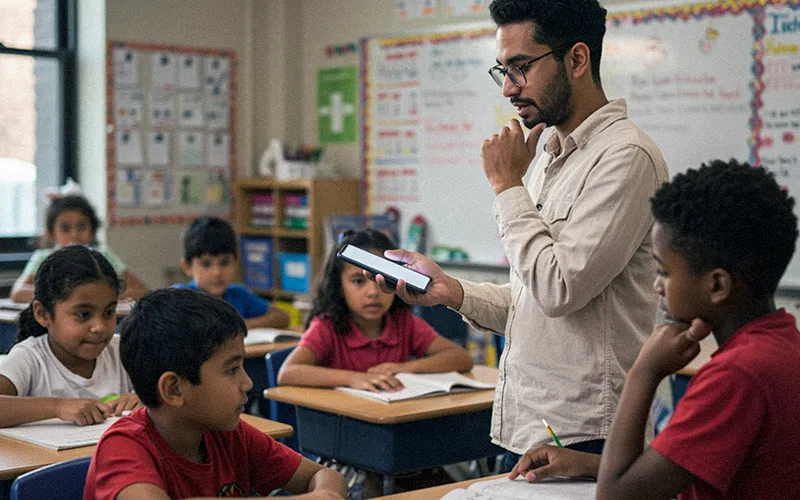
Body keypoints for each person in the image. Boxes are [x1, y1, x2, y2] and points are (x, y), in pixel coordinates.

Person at [370, 0, 668, 470]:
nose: (508, 88)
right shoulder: (548, 154)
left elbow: (558, 289)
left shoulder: (626, 158)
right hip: (529, 420)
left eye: (521, 67)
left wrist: (506, 185)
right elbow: (531, 299)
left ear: (576, 59)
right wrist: (453, 291)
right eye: (502, 70)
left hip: (589, 432)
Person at [595, 160, 800, 499]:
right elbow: (693, 468)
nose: (657, 285)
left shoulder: (736, 375)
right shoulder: (782, 343)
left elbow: (616, 497)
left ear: (717, 285)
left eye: (664, 271)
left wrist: (643, 373)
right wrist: (587, 464)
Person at [84, 288, 347, 500]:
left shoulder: (228, 434)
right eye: (232, 369)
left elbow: (325, 476)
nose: (246, 383)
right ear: (174, 389)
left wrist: (328, 494)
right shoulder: (122, 447)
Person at [278, 229, 473, 391]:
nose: (373, 292)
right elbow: (287, 372)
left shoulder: (403, 322)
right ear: (339, 285)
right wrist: (354, 378)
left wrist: (405, 368)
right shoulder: (326, 326)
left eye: (383, 279)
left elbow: (461, 358)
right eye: (358, 281)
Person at [0, 245, 141, 428]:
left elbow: (171, 391)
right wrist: (57, 406)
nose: (99, 327)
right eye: (83, 314)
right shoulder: (30, 358)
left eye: (108, 312)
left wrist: (144, 399)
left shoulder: (122, 350)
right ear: (43, 314)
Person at [10, 194, 148, 304]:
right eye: (65, 228)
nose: (74, 234)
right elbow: (18, 292)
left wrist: (102, 294)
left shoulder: (103, 255)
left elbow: (141, 291)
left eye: (81, 227)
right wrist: (68, 295)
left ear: (92, 230)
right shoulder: (43, 257)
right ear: (52, 233)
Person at [174, 216, 290, 330]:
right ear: (187, 267)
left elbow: (282, 317)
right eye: (206, 264)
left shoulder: (238, 295)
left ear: (236, 261)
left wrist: (243, 326)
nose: (217, 272)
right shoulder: (180, 297)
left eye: (224, 263)